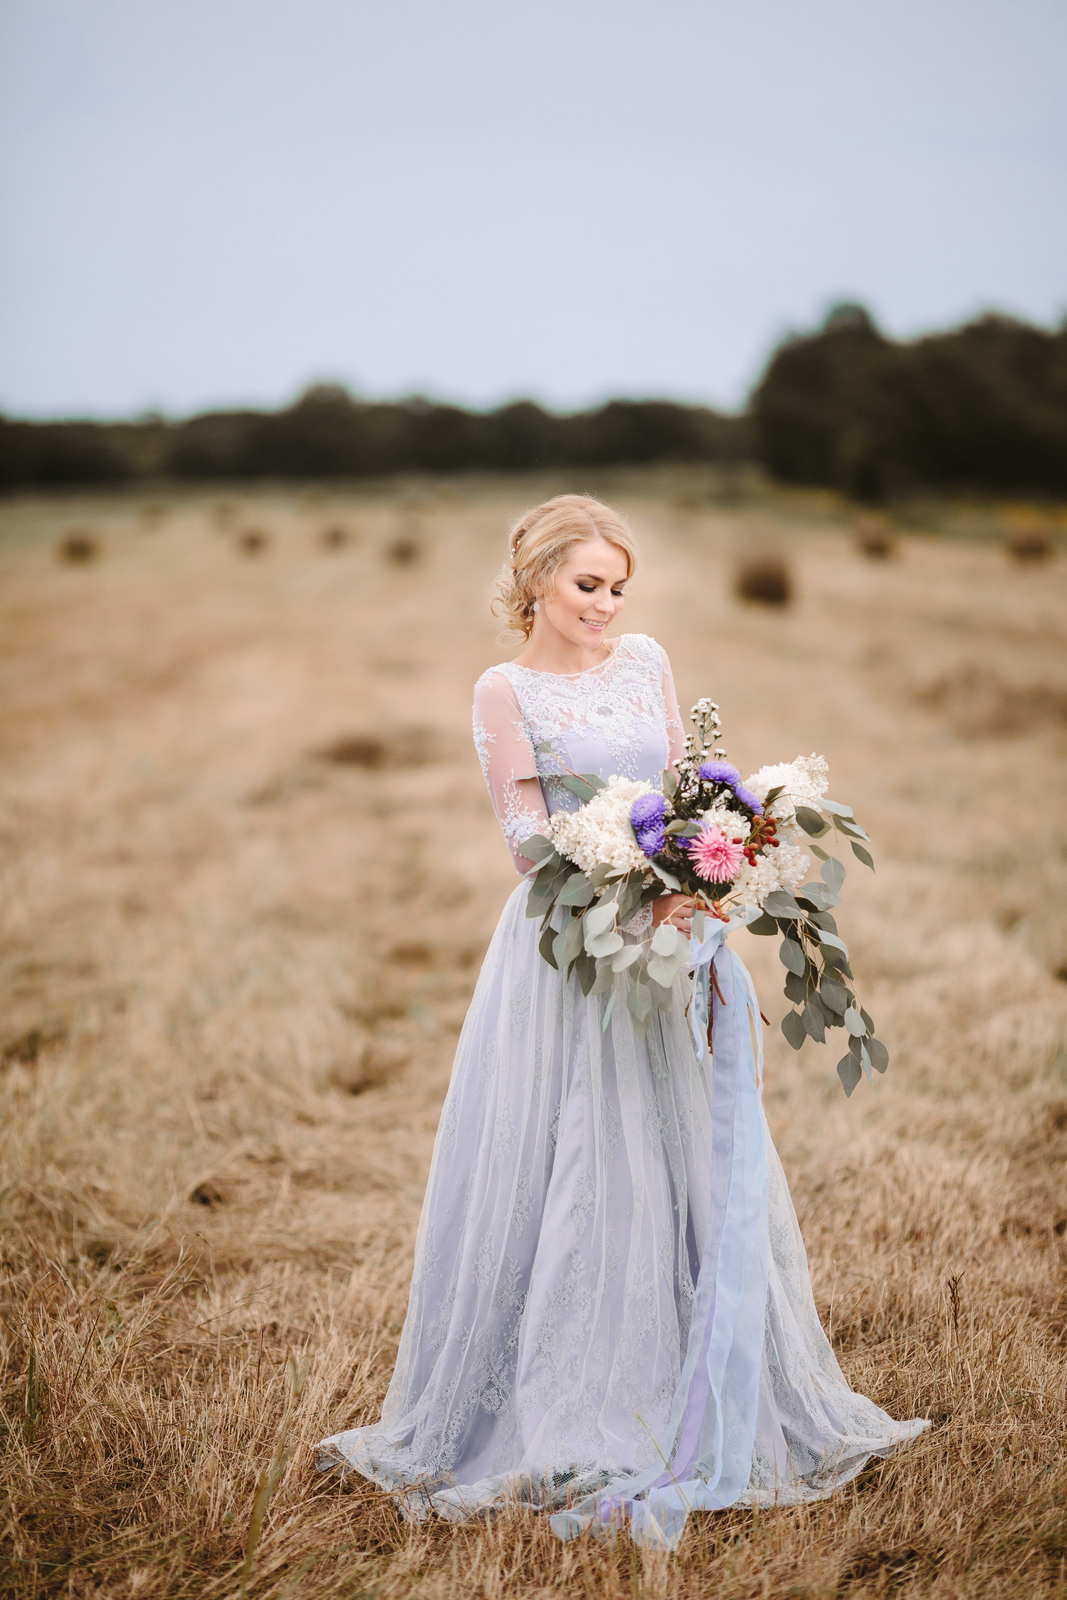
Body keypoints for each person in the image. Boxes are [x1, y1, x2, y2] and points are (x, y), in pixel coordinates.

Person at [316, 494, 928, 1548]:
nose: (603, 605)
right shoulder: (501, 691)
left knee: (674, 1143)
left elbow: (686, 789)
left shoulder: (645, 663)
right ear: (535, 584)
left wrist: (711, 864)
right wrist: (628, 883)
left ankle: (691, 1369)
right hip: (570, 939)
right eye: (585, 585)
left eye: (615, 587)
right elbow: (521, 835)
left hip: (676, 931)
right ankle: (568, 1389)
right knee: (575, 1153)